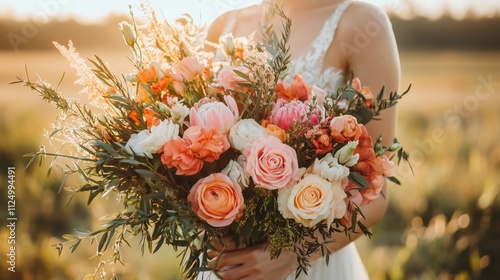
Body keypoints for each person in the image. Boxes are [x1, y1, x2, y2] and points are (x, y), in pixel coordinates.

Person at [203, 0, 400, 279]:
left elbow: (375, 193)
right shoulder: (223, 26)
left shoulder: (361, 23)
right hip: (224, 262)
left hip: (308, 265)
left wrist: (290, 255)